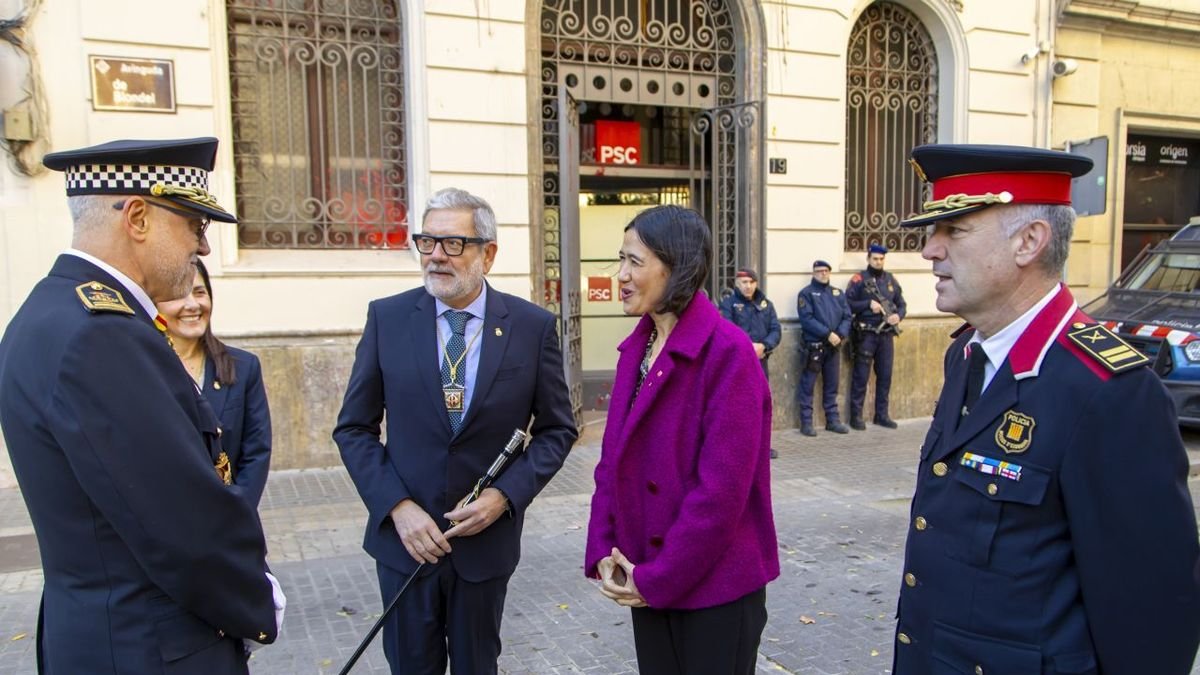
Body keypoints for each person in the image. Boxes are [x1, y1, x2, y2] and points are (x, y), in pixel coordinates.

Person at [893, 143, 1200, 674]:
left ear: (1029, 241)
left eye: (955, 231)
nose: (930, 250)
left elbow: (1153, 612)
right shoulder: (966, 355)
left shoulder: (1111, 391)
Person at [0, 138, 283, 673]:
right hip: (150, 644)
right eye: (194, 225)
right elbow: (179, 521)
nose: (201, 247)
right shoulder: (102, 333)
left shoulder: (47, 311)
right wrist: (256, 604)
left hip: (100, 631)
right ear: (137, 217)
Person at [333, 187, 577, 675]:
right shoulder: (388, 318)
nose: (436, 257)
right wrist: (398, 509)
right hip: (406, 548)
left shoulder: (531, 327)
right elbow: (354, 428)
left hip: (482, 550)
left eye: (453, 244)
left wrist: (504, 497)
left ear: (488, 253)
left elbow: (556, 430)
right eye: (427, 242)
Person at [584, 205, 779, 675]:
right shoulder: (639, 347)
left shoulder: (729, 355)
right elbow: (612, 463)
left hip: (715, 589)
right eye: (620, 260)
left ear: (674, 267)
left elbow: (719, 496)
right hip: (648, 578)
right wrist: (603, 550)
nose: (621, 275)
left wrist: (657, 579)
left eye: (634, 261)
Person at [156, 259, 273, 507]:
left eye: (200, 292)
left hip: (230, 523)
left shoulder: (243, 366)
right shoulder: (143, 370)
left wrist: (237, 516)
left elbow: (256, 453)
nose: (192, 305)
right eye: (178, 295)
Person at [718, 267, 782, 457]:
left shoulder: (766, 305)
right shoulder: (728, 304)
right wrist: (749, 348)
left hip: (761, 361)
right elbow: (728, 330)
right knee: (737, 405)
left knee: (760, 403)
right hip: (737, 363)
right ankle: (737, 446)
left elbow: (776, 330)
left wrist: (764, 346)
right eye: (744, 282)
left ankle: (762, 446)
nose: (748, 286)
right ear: (737, 284)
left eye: (751, 282)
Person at [846, 243, 906, 429]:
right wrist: (866, 304)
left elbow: (901, 304)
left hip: (886, 335)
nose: (878, 262)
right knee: (861, 377)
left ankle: (881, 414)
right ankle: (856, 416)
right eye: (875, 259)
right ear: (868, 259)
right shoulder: (859, 280)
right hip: (866, 334)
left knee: (885, 375)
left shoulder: (890, 280)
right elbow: (846, 304)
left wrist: (899, 316)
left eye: (881, 259)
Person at [795, 260, 852, 436]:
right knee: (808, 385)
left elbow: (847, 316)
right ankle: (806, 423)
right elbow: (807, 319)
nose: (823, 274)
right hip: (815, 347)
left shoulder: (837, 293)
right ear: (813, 273)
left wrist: (840, 334)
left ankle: (832, 420)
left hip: (834, 347)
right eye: (819, 271)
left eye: (826, 271)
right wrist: (828, 334)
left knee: (832, 385)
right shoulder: (806, 294)